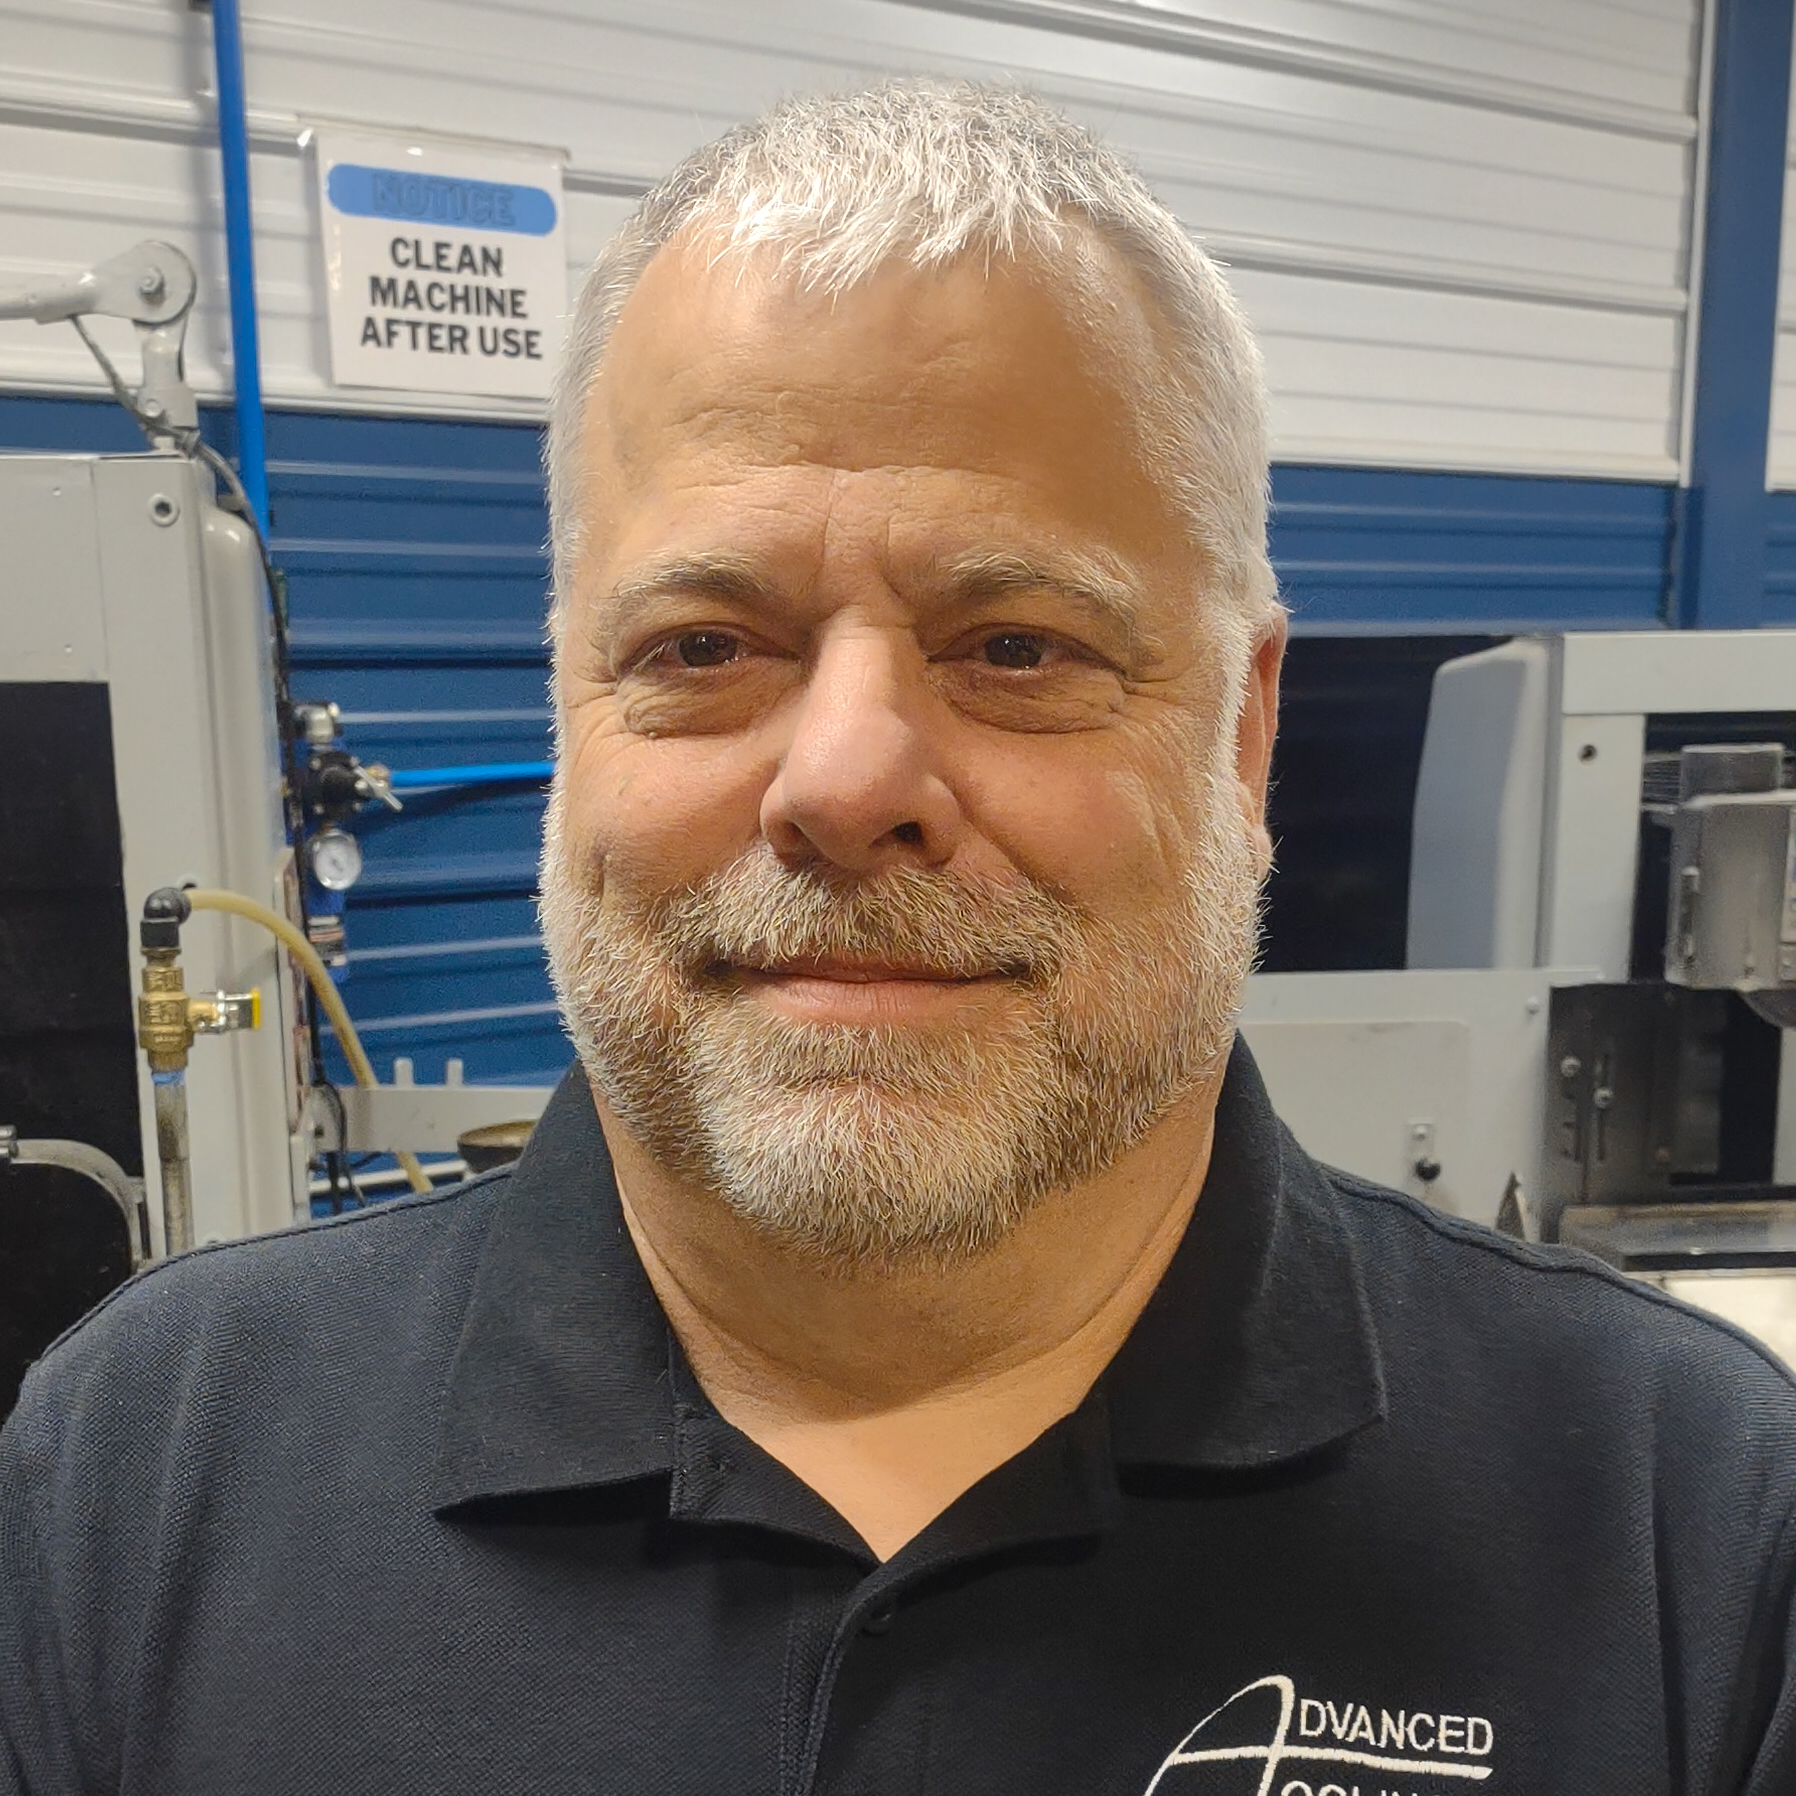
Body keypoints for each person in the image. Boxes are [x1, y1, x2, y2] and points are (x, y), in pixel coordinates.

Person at [2, 79, 1793, 1796]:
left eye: (1016, 645)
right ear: (569, 710)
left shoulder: (1698, 1545)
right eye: (703, 647)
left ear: (1243, 737)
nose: (846, 783)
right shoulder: (144, 1478)